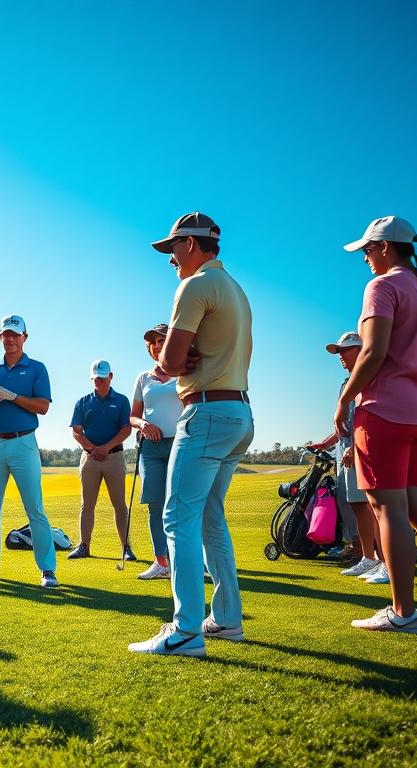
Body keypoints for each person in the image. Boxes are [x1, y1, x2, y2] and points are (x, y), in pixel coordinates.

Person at [129, 212, 253, 658]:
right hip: (238, 411)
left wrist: (171, 356)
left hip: (205, 411)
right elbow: (179, 359)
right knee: (209, 518)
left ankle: (185, 631)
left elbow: (172, 358)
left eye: (174, 248)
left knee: (177, 518)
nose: (170, 259)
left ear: (194, 244)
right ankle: (226, 618)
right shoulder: (234, 289)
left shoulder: (195, 284)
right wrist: (176, 358)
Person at [339, 216, 417, 633]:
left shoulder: (383, 286)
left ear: (384, 248)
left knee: (387, 508)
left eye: (367, 251)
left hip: (385, 413)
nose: (365, 259)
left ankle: (402, 611)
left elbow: (372, 352)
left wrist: (345, 398)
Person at [0, 315, 58, 588]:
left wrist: (13, 396)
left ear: (25, 337)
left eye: (15, 335)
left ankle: (47, 569)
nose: (11, 339)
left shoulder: (37, 368)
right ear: (0, 337)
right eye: (6, 334)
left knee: (35, 508)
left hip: (23, 442)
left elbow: (43, 406)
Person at [306, 332, 386, 583]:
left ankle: (385, 561)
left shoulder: (369, 377)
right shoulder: (347, 382)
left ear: (361, 349)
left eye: (345, 350)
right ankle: (369, 558)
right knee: (357, 505)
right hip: (347, 452)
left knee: (374, 506)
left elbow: (367, 417)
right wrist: (326, 443)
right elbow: (343, 425)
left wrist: (353, 445)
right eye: (339, 351)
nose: (340, 355)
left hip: (361, 449)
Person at [129, 324, 183, 580]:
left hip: (181, 443)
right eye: (154, 342)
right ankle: (161, 562)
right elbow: (133, 416)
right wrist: (143, 425)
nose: (158, 345)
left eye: (163, 340)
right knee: (155, 504)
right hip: (150, 448)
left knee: (182, 503)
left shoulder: (184, 372)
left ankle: (187, 560)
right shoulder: (143, 378)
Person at [68, 360, 133, 561]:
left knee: (119, 505)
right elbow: (76, 431)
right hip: (89, 458)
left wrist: (105, 448)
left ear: (110, 377)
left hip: (114, 457)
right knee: (87, 505)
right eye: (96, 379)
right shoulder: (83, 402)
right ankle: (84, 545)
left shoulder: (121, 401)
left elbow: (126, 429)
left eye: (102, 379)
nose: (99, 383)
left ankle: (126, 548)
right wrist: (91, 448)